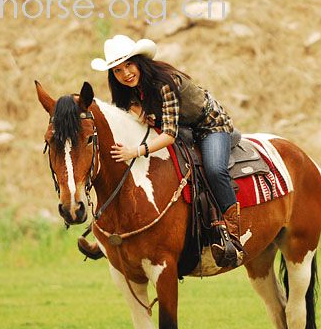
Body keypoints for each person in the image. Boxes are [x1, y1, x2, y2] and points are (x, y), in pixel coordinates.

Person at [79, 34, 245, 268]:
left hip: (208, 126)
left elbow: (169, 135)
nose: (125, 74)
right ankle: (110, 233)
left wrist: (136, 150)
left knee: (215, 169)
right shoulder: (127, 90)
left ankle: (233, 232)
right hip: (181, 127)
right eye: (117, 70)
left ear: (139, 62)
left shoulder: (165, 83)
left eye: (129, 65)